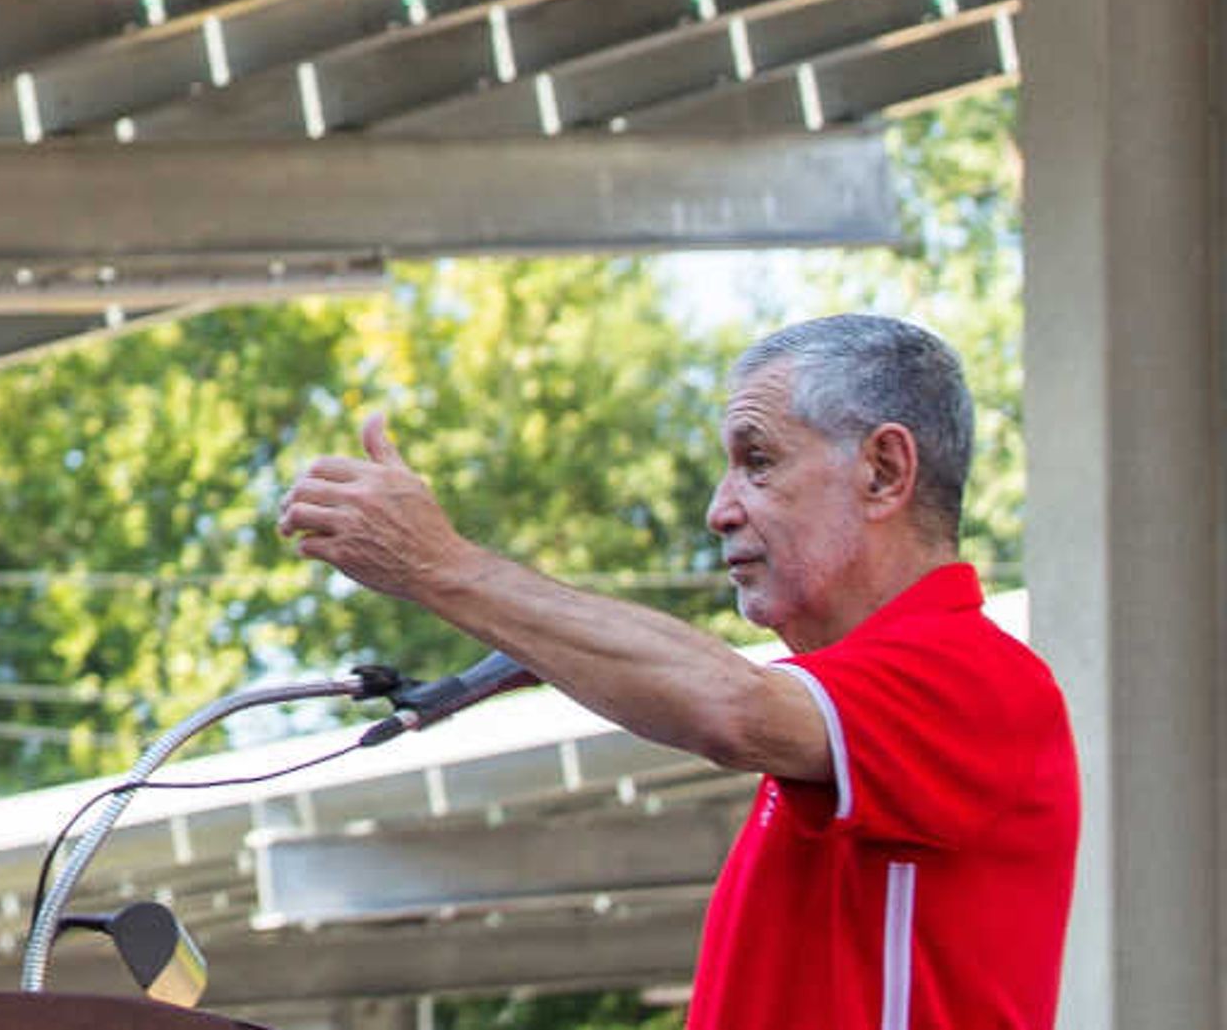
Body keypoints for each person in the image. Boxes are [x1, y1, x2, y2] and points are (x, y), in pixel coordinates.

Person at [277, 312, 1075, 1028]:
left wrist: (438, 565)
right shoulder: (849, 720)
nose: (719, 508)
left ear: (884, 471)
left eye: (757, 461)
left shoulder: (972, 674)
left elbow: (728, 704)